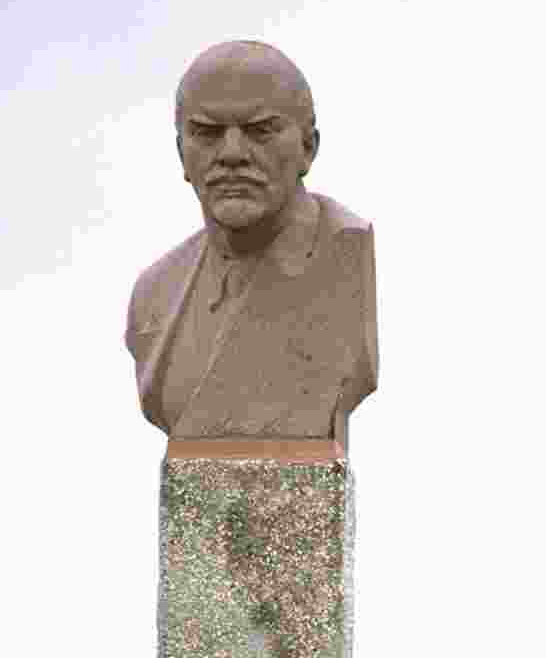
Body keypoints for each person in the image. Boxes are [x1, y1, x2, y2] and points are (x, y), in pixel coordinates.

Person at [125, 40, 378, 448]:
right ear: (180, 152)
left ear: (308, 148)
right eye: (206, 133)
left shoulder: (343, 255)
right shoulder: (154, 295)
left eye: (260, 131)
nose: (232, 154)